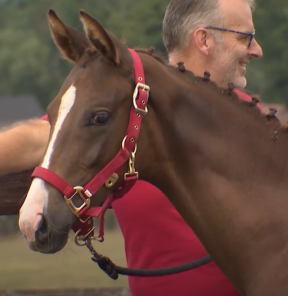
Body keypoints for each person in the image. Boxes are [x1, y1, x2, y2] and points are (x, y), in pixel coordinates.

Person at [0, 0, 262, 295]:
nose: (257, 50)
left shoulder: (262, 132)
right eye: (245, 37)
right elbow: (38, 138)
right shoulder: (124, 116)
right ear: (203, 40)